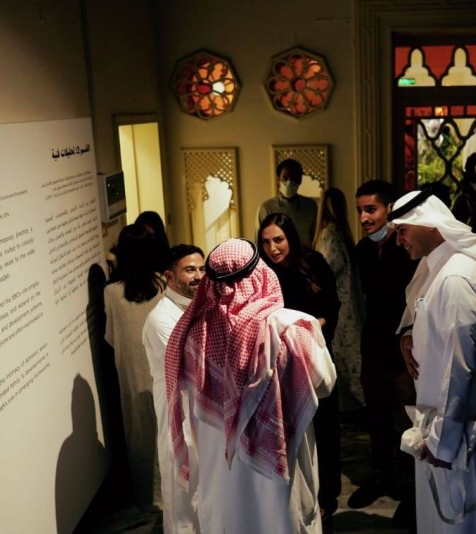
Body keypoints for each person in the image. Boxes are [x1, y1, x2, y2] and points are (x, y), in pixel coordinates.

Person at [164, 238, 337, 534]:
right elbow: (324, 384)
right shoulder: (293, 328)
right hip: (279, 467)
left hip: (222, 472)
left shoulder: (192, 335)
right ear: (261, 273)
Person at [390, 188, 476, 534]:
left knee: (460, 519)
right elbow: (426, 316)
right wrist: (409, 335)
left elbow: (458, 367)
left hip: (458, 434)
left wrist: (442, 441)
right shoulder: (439, 269)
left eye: (403, 230)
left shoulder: (457, 276)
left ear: (430, 224)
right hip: (441, 424)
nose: (399, 241)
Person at [259, 212, 342, 530]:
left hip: (315, 355)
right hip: (281, 364)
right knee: (293, 430)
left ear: (290, 237)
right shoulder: (262, 272)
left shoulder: (312, 262)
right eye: (266, 241)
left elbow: (332, 305)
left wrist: (310, 328)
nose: (272, 248)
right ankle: (297, 499)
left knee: (325, 426)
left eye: (278, 240)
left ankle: (327, 498)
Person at [349, 180, 418, 515]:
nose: (364, 217)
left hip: (404, 346)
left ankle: (410, 488)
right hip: (374, 344)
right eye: (360, 210)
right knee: (375, 414)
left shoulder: (407, 246)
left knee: (406, 417)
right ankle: (380, 475)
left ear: (389, 208)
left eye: (371, 209)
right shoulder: (362, 249)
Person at [142, 244, 206, 534]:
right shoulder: (162, 319)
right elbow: (193, 367)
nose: (198, 276)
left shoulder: (199, 306)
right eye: (190, 270)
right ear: (169, 276)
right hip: (179, 420)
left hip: (202, 416)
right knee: (184, 506)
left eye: (202, 269)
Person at [104, 223, 167, 512]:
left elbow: (110, 337)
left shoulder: (112, 292)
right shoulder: (163, 284)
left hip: (131, 369)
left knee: (138, 428)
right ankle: (168, 492)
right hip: (162, 364)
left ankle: (146, 495)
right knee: (165, 425)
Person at [313, 187, 366, 411]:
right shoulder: (341, 233)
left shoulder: (330, 234)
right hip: (349, 305)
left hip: (342, 309)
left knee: (348, 362)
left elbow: (326, 268)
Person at [257, 158, 318, 244]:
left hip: (304, 252)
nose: (289, 182)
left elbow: (316, 238)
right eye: (285, 177)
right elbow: (260, 240)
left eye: (294, 178)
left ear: (300, 180)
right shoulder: (267, 208)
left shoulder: (310, 206)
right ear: (278, 179)